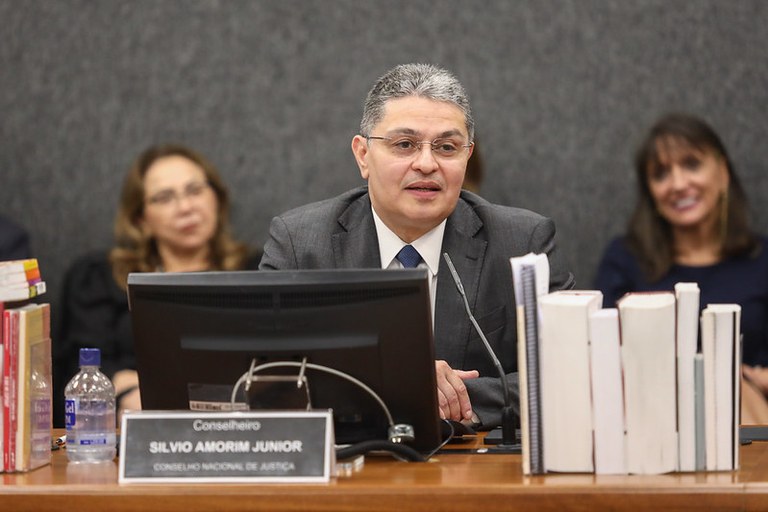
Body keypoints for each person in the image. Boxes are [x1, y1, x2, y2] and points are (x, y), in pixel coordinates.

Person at [259, 63, 574, 429]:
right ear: (363, 155)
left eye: (447, 147)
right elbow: (267, 379)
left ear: (467, 156)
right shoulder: (301, 244)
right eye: (404, 144)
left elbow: (568, 372)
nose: (426, 163)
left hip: (473, 470)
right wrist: (401, 384)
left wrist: (452, 395)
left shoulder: (522, 242)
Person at [56, 144, 260, 424]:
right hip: (134, 430)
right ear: (141, 219)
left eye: (195, 190)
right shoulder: (100, 278)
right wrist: (126, 390)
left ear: (218, 198)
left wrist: (136, 377)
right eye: (165, 198)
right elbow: (78, 368)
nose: (186, 207)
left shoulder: (259, 269)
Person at [593, 112, 768, 423]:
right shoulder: (626, 259)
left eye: (691, 164)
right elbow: (601, 358)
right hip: (652, 416)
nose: (677, 184)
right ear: (651, 194)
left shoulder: (762, 258)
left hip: (750, 416)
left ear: (723, 173)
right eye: (660, 174)